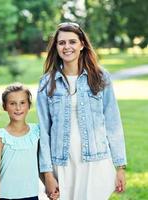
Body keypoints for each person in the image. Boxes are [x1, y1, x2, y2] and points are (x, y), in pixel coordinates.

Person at [37, 22, 127, 200]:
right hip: (61, 162)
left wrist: (120, 167)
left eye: (72, 41)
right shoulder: (47, 82)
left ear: (82, 44)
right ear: (56, 47)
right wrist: (47, 173)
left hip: (95, 160)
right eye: (61, 43)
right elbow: (43, 130)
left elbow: (113, 123)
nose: (67, 47)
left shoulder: (100, 77)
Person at [0, 83, 40, 200]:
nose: (18, 108)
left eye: (22, 103)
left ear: (29, 105)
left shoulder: (37, 132)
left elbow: (42, 165)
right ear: (4, 106)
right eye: (12, 103)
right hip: (5, 196)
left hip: (31, 195)